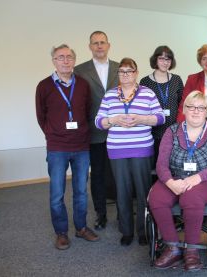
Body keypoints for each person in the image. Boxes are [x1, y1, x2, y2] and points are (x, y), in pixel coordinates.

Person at [148, 91, 207, 271]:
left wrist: (196, 177)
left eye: (201, 108)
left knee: (190, 199)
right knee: (156, 199)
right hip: (175, 176)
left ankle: (191, 251)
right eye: (191, 107)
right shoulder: (172, 131)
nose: (195, 111)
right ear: (184, 109)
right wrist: (170, 182)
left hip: (205, 179)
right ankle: (173, 248)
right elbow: (161, 163)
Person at [95, 58, 165, 246]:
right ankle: (126, 231)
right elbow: (98, 121)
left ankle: (143, 230)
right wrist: (113, 120)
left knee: (143, 191)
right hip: (117, 150)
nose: (125, 74)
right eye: (122, 71)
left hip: (142, 149)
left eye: (129, 70)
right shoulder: (110, 95)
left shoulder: (148, 93)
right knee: (122, 191)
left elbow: (160, 118)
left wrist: (141, 119)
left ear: (136, 73)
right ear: (118, 74)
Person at [35, 44, 99, 250]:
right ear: (53, 61)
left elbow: (88, 110)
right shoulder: (43, 86)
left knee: (81, 191)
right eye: (60, 57)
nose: (65, 60)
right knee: (57, 193)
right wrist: (53, 134)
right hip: (57, 148)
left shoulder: (82, 84)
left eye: (69, 57)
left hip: (81, 146)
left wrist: (82, 132)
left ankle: (81, 228)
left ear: (74, 60)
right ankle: (61, 232)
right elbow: (41, 116)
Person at [74, 30, 119, 230]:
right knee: (98, 175)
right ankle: (101, 214)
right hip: (95, 132)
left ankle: (123, 214)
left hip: (120, 132)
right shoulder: (79, 70)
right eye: (95, 43)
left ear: (108, 45)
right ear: (90, 47)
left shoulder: (121, 68)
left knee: (120, 175)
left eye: (102, 42)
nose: (99, 46)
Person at [139, 46, 184, 171]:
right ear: (155, 60)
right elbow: (142, 107)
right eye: (161, 59)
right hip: (153, 134)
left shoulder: (176, 80)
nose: (165, 62)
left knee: (172, 168)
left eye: (168, 59)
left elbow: (182, 104)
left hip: (174, 133)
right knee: (155, 169)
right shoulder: (145, 81)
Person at [176, 44, 207, 122]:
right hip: (199, 123)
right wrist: (180, 126)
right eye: (204, 58)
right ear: (200, 62)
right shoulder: (192, 79)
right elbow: (184, 104)